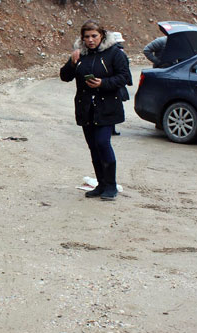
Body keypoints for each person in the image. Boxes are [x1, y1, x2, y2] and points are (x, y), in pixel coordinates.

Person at [60, 20, 130, 200]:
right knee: (93, 147)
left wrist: (103, 83)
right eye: (87, 37)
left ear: (102, 36)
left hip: (107, 106)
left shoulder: (115, 53)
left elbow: (124, 77)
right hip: (86, 107)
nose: (90, 40)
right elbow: (64, 76)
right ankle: (101, 184)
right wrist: (72, 63)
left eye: (94, 36)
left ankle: (111, 186)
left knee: (102, 143)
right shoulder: (80, 54)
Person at [111, 31, 133, 136]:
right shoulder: (120, 52)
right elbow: (125, 69)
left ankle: (111, 128)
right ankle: (111, 128)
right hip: (117, 83)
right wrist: (128, 80)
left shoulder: (110, 52)